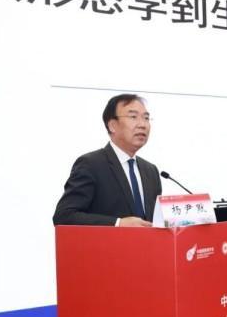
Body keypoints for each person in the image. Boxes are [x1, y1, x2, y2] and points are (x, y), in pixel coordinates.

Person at [53, 93, 161, 227]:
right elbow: (64, 216)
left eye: (146, 118)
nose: (143, 124)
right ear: (112, 126)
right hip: (108, 241)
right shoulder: (90, 164)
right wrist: (118, 223)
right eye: (133, 117)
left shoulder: (151, 171)